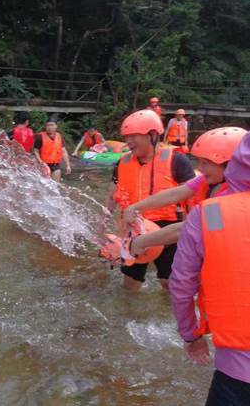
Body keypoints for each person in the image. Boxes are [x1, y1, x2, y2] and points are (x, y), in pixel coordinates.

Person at [170, 132, 250, 406]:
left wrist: (191, 335)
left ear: (234, 164)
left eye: (206, 162)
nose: (201, 169)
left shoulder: (212, 212)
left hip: (238, 373)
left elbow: (181, 284)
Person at [104, 109, 195, 291]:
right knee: (130, 284)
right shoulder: (122, 163)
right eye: (126, 136)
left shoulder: (176, 160)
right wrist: (103, 221)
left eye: (134, 136)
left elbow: (192, 194)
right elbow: (112, 193)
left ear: (152, 135)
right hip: (134, 228)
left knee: (168, 283)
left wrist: (194, 231)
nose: (128, 142)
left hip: (168, 228)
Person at [124, 127, 247, 255]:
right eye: (199, 162)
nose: (199, 168)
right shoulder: (207, 180)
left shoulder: (230, 198)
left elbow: (185, 229)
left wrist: (140, 242)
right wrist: (134, 207)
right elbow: (174, 194)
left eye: (205, 163)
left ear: (230, 164)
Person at [33, 118, 72, 182]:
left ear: (56, 126)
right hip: (44, 164)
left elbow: (64, 151)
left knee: (56, 185)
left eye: (52, 125)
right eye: (48, 125)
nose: (49, 127)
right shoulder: (40, 136)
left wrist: (68, 165)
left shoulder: (59, 136)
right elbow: (35, 151)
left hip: (55, 165)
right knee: (45, 185)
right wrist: (40, 162)